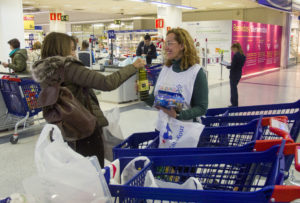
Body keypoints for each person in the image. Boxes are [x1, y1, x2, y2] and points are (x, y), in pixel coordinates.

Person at [31, 32, 145, 167]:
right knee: (94, 171)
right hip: (84, 127)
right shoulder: (68, 67)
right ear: (61, 49)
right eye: (72, 49)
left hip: (64, 127)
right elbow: (106, 83)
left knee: (77, 171)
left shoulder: (45, 72)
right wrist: (133, 67)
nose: (74, 53)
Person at [145, 28, 208, 123]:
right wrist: (143, 94)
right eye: (165, 44)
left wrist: (178, 115)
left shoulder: (196, 72)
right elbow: (155, 101)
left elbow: (201, 107)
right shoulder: (165, 70)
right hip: (164, 129)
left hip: (186, 131)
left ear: (182, 45)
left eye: (169, 43)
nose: (166, 48)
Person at [226, 42, 246, 107]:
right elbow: (238, 65)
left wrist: (227, 66)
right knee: (234, 89)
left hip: (233, 75)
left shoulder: (236, 56)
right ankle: (235, 103)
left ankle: (234, 104)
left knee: (233, 90)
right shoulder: (243, 55)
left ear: (236, 48)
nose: (232, 51)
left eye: (233, 50)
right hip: (239, 74)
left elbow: (232, 66)